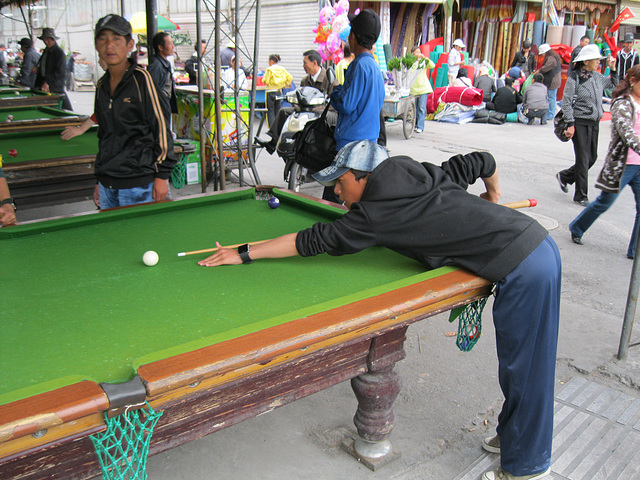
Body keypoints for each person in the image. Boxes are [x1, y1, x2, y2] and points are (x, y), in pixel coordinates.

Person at [197, 139, 561, 480]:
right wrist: (494, 195)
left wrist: (244, 252)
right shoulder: (426, 171)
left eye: (340, 182)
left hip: (524, 267)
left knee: (525, 369)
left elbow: (313, 240)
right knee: (519, 367)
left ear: (363, 177)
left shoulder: (376, 215)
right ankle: (517, 435)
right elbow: (485, 161)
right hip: (535, 247)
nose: (336, 192)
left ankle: (526, 467)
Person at [91, 14, 176, 209]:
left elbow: (162, 128)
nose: (109, 45)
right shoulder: (101, 85)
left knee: (145, 239)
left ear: (130, 45)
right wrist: (99, 179)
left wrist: (162, 176)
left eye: (116, 39)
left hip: (140, 184)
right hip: (107, 184)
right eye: (102, 39)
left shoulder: (142, 79)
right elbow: (104, 135)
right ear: (97, 45)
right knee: (113, 239)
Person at [569, 65, 640, 258]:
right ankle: (577, 227)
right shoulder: (622, 104)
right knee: (605, 202)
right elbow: (626, 132)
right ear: (633, 81)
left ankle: (635, 251)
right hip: (622, 164)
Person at [557, 44, 618, 206]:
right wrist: (570, 124)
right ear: (585, 62)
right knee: (583, 159)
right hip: (579, 123)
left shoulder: (597, 77)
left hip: (594, 122)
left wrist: (613, 69)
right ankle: (581, 195)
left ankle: (565, 176)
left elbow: (613, 85)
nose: (598, 62)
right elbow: (567, 103)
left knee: (592, 157)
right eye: (596, 59)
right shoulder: (574, 78)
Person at [256, 49, 338, 154]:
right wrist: (297, 106)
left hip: (324, 111)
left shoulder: (329, 78)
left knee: (321, 114)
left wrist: (317, 108)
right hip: (305, 110)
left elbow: (335, 101)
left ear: (314, 63)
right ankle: (273, 143)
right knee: (284, 111)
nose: (303, 66)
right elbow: (299, 97)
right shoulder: (305, 80)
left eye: (305, 63)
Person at [330, 9, 385, 150]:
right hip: (371, 140)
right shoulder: (375, 66)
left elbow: (346, 104)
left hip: (351, 143)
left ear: (353, 36)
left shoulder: (358, 65)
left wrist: (335, 92)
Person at [34, 28, 72, 111]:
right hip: (44, 86)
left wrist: (47, 82)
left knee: (56, 110)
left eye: (48, 39)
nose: (46, 42)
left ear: (53, 39)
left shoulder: (59, 53)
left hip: (54, 87)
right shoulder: (46, 51)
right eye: (44, 40)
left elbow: (59, 72)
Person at [148, 31, 178, 123]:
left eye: (173, 43)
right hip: (159, 105)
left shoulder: (165, 63)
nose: (173, 46)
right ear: (160, 47)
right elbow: (151, 89)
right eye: (169, 44)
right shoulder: (156, 65)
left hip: (165, 103)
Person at [262, 53, 293, 126]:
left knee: (270, 110)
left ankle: (271, 127)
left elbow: (265, 80)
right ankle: (277, 126)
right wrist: (284, 84)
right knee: (278, 110)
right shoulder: (282, 69)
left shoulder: (269, 70)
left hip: (270, 92)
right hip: (278, 92)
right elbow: (290, 78)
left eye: (269, 61)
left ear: (272, 61)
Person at [410, 45, 435, 134]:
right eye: (416, 52)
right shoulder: (410, 62)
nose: (418, 54)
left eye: (419, 52)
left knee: (421, 107)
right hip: (413, 89)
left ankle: (420, 126)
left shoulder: (423, 61)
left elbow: (432, 65)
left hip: (423, 88)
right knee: (414, 108)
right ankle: (415, 125)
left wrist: (425, 58)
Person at [535, 44, 561, 121]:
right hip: (554, 80)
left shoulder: (551, 59)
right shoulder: (553, 57)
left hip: (552, 81)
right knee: (552, 97)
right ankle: (550, 113)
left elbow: (545, 68)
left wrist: (538, 71)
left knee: (551, 98)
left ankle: (550, 114)